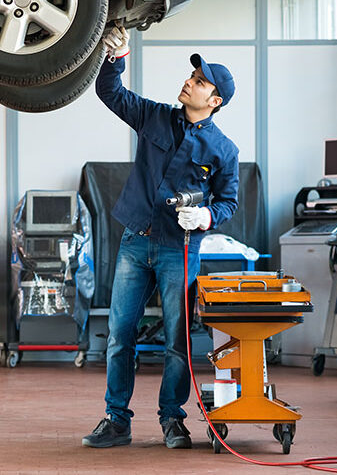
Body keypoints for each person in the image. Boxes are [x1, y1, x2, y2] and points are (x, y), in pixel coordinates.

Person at [82, 23, 240, 449]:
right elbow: (110, 93)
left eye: (200, 81)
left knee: (177, 340)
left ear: (215, 100)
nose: (189, 82)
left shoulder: (224, 151)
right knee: (120, 335)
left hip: (180, 250)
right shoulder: (154, 116)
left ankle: (173, 418)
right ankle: (117, 420)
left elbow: (229, 202)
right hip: (135, 241)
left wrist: (206, 216)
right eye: (192, 76)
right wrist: (117, 57)